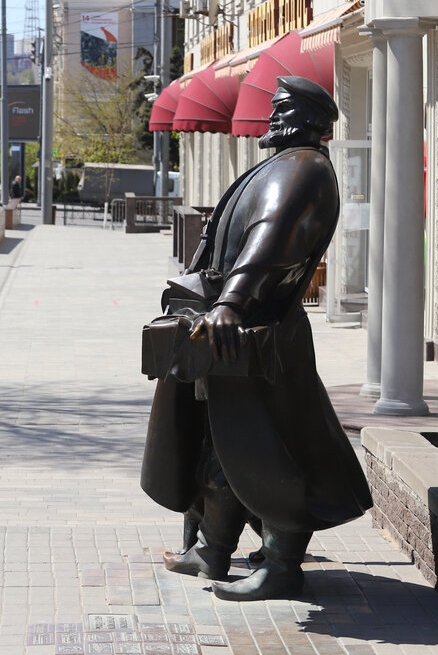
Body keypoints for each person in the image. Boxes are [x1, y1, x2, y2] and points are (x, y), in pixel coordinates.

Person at [139, 76, 372, 602]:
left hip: (260, 332)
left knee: (270, 448)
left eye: (280, 108)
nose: (269, 116)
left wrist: (231, 302)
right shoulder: (284, 164)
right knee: (219, 442)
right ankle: (213, 547)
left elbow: (271, 241)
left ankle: (283, 563)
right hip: (229, 331)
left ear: (305, 118)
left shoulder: (305, 172)